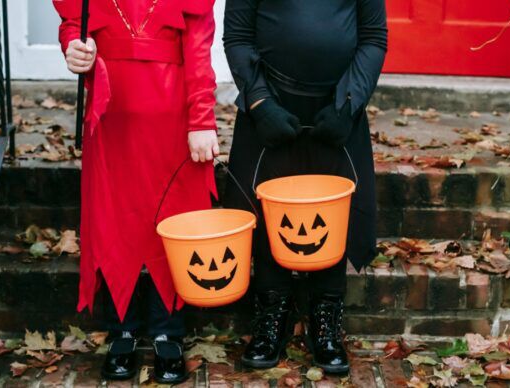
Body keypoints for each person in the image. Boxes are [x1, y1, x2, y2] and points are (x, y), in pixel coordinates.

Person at [53, 0, 219, 382]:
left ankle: (168, 332)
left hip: (173, 123)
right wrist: (74, 48)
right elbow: (74, 24)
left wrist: (201, 119)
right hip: (113, 122)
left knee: (173, 222)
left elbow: (198, 51)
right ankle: (121, 330)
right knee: (115, 220)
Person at [222, 0, 388, 374]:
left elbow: (374, 38)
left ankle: (326, 322)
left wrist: (349, 103)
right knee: (264, 210)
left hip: (337, 106)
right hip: (271, 102)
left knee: (332, 213)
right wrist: (260, 103)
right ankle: (271, 320)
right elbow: (237, 37)